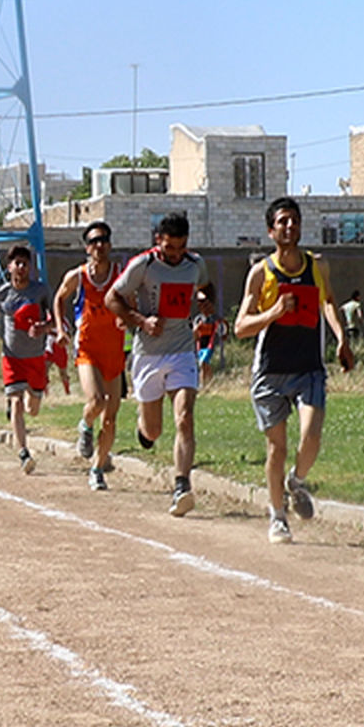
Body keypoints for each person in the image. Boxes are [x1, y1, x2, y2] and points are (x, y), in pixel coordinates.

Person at [234, 197, 355, 544]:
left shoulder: (317, 265)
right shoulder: (261, 273)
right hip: (271, 370)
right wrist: (272, 313)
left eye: (295, 221)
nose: (290, 227)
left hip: (309, 366)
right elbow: (241, 326)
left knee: (311, 436)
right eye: (283, 222)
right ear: (271, 230)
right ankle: (277, 516)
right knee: (277, 448)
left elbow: (329, 301)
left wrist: (341, 340)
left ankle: (297, 481)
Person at [105, 212, 216, 516]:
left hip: (182, 350)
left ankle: (182, 485)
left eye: (181, 248)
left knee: (185, 417)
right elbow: (112, 298)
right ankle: (144, 430)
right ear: (158, 241)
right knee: (154, 431)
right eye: (170, 248)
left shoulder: (195, 264)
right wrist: (140, 320)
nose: (176, 254)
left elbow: (207, 286)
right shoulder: (144, 265)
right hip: (148, 354)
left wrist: (207, 301)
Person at [53, 220, 127, 491]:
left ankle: (97, 468)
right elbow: (59, 298)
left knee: (111, 416)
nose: (100, 245)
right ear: (87, 247)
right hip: (87, 347)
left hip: (115, 351)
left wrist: (127, 318)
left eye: (104, 240)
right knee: (96, 401)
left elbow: (133, 299)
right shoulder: (79, 276)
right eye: (95, 241)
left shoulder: (121, 273)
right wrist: (61, 329)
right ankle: (85, 425)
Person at [0, 244, 53, 474]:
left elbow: (55, 319)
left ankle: (22, 405)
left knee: (33, 408)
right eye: (17, 263)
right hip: (11, 357)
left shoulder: (40, 291)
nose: (21, 267)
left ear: (30, 267)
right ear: (9, 266)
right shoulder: (0, 293)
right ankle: (23, 453)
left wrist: (44, 327)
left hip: (35, 357)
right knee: (17, 403)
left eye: (25, 263)